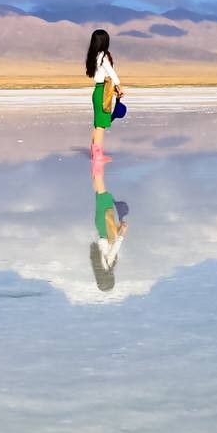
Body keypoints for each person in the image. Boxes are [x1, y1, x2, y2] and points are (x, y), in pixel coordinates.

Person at [88, 156, 129, 289]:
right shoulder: (97, 265)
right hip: (101, 227)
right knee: (99, 193)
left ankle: (98, 163)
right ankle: (97, 166)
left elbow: (114, 248)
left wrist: (123, 233)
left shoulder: (108, 266)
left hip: (105, 227)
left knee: (103, 194)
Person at [85, 29, 126, 157]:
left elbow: (104, 75)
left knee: (98, 124)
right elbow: (111, 72)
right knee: (101, 126)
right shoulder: (103, 56)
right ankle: (98, 156)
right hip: (103, 92)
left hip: (98, 91)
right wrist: (119, 86)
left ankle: (95, 153)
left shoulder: (94, 56)